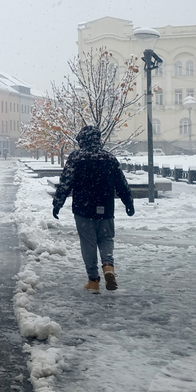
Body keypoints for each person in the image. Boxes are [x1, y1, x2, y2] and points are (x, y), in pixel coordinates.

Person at [52, 125, 135, 294]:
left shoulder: (76, 158)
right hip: (105, 206)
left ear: (82, 141)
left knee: (88, 242)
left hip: (83, 208)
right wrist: (128, 202)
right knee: (106, 238)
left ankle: (93, 280)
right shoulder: (109, 158)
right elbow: (121, 183)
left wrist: (58, 203)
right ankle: (108, 265)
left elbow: (65, 183)